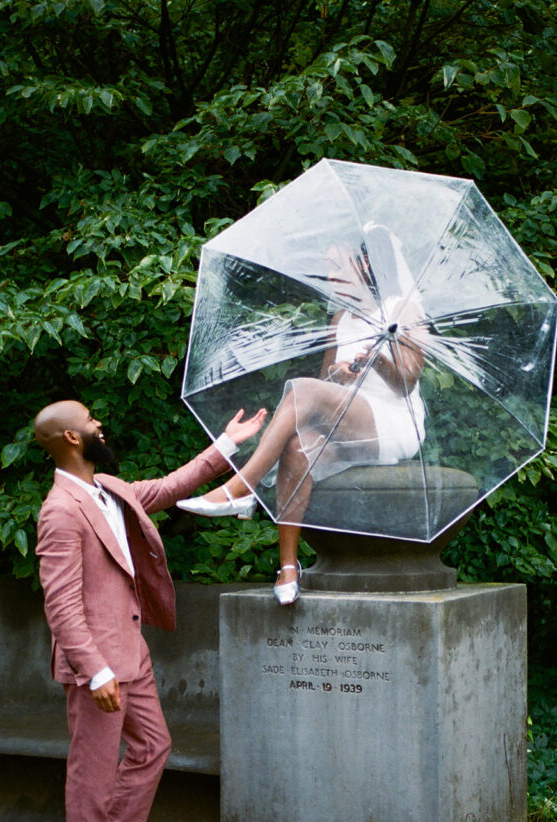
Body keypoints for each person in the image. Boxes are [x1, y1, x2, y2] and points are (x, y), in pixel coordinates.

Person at [33, 398, 265, 822]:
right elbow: (62, 605)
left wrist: (228, 442)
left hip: (131, 652)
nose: (100, 422)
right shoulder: (60, 511)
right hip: (98, 666)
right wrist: (95, 673)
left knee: (153, 746)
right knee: (92, 771)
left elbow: (170, 487)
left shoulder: (109, 490)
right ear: (72, 438)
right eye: (92, 419)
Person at [177, 228, 427, 605]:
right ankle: (289, 567)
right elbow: (327, 379)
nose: (329, 278)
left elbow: (407, 383)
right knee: (297, 447)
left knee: (301, 389)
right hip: (347, 415)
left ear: (364, 264)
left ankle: (241, 487)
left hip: (393, 420)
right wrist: (340, 375)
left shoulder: (400, 309)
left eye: (335, 267)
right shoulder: (341, 317)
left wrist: (378, 358)